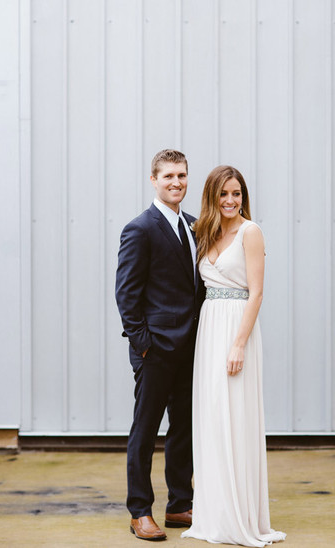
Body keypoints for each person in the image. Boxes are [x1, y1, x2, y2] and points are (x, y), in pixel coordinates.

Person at [182, 165, 286, 546]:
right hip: (209, 329)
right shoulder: (204, 231)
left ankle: (241, 516)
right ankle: (215, 514)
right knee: (211, 418)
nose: (230, 200)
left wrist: (238, 343)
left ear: (243, 197)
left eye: (236, 193)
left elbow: (256, 292)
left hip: (236, 328)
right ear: (212, 196)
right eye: (223, 194)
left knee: (236, 417)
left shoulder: (250, 232)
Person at [115, 149, 205, 541]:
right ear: (154, 180)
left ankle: (179, 504)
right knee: (145, 431)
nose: (176, 182)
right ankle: (139, 511)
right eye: (168, 176)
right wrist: (143, 345)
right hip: (154, 351)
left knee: (183, 428)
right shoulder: (140, 229)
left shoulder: (194, 225)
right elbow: (126, 294)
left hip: (190, 349)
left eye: (181, 175)